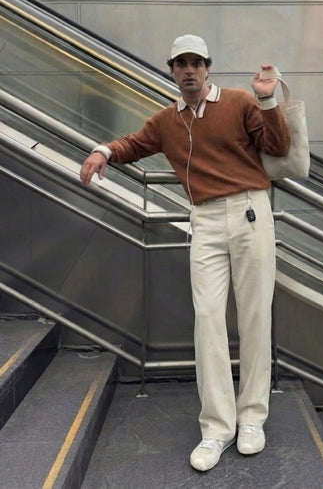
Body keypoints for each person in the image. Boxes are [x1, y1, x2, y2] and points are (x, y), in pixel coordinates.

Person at [80, 34, 290, 472]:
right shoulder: (166, 121)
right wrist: (103, 151)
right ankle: (217, 428)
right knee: (208, 320)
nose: (189, 70)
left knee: (255, 316)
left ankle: (252, 419)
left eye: (197, 62)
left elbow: (278, 147)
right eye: (181, 63)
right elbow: (134, 143)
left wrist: (267, 100)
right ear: (172, 70)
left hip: (250, 211)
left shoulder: (238, 102)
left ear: (208, 67)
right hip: (204, 220)